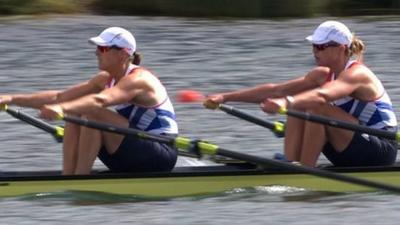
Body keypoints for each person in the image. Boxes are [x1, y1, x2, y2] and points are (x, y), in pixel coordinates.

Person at [204, 20, 397, 167]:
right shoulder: (322, 74)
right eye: (314, 46)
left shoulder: (357, 74)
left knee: (314, 105)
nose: (315, 51)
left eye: (321, 46)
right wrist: (225, 97)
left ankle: (303, 172)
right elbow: (276, 90)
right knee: (301, 102)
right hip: (350, 146)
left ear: (342, 49)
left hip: (380, 150)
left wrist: (286, 103)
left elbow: (322, 97)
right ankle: (291, 163)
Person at [0, 27, 179, 175]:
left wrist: (60, 108)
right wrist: (11, 98)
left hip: (160, 155)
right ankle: (68, 176)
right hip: (133, 151)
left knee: (92, 111)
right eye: (97, 48)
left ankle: (80, 180)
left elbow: (100, 100)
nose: (96, 53)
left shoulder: (139, 79)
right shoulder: (105, 79)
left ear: (123, 55)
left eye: (103, 49)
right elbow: (60, 97)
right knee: (76, 108)